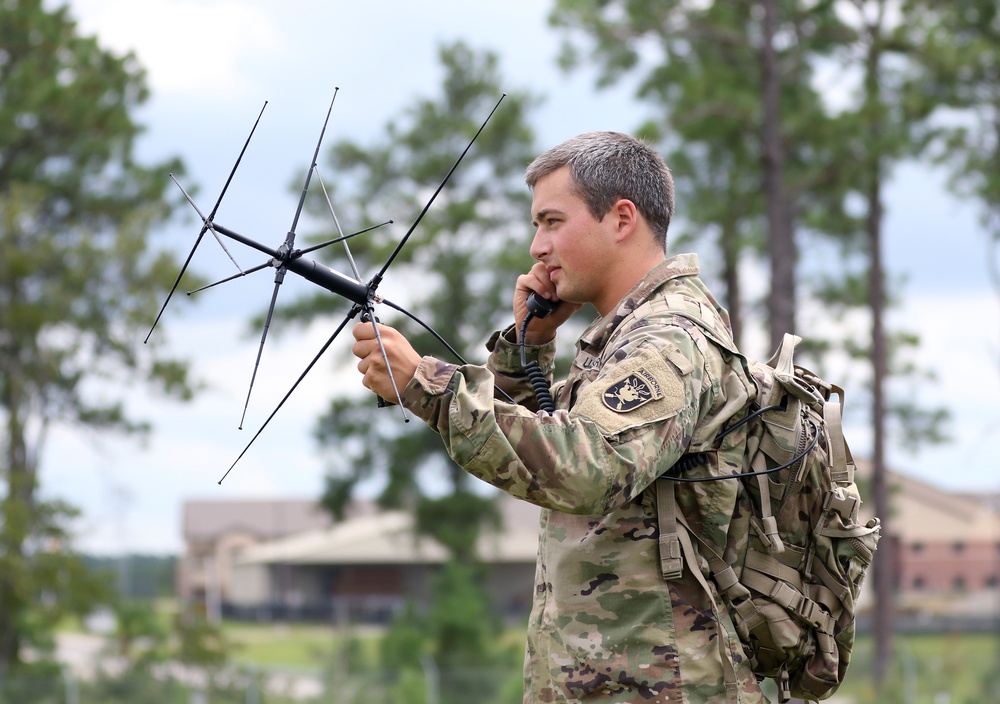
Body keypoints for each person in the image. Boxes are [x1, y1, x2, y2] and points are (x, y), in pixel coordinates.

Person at [352, 131, 768, 703]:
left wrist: (429, 385)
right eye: (536, 225)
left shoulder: (668, 339)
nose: (536, 247)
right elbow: (540, 459)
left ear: (621, 219)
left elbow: (589, 466)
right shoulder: (624, 338)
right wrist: (530, 345)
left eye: (551, 221)